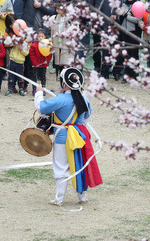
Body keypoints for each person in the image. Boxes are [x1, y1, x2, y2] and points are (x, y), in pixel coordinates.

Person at [35, 68, 103, 205]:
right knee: (79, 165)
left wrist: (38, 93)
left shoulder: (60, 99)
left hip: (62, 137)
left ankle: (59, 199)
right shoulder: (83, 99)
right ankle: (82, 197)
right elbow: (86, 118)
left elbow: (40, 107)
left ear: (64, 84)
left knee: (61, 167)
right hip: (79, 136)